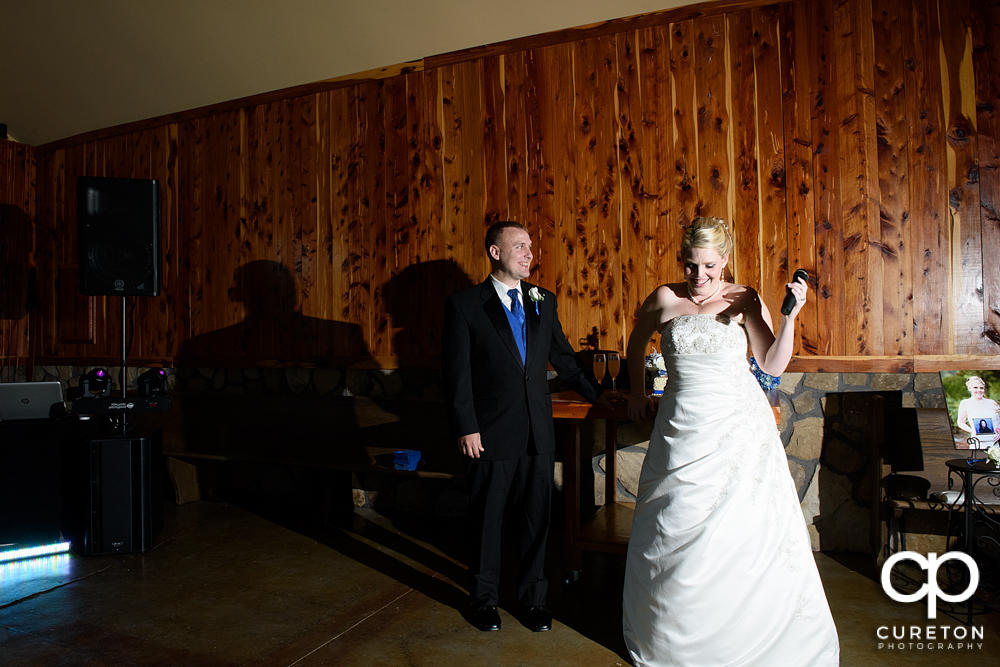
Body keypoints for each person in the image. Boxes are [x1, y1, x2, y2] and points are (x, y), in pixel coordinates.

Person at [621, 217, 839, 666]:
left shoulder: (743, 297)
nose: (699, 277)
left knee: (739, 533)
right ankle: (675, 638)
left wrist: (788, 316)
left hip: (737, 428)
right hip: (681, 429)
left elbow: (772, 364)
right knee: (676, 523)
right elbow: (636, 343)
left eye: (708, 267)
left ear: (724, 261)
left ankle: (748, 635)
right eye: (690, 266)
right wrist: (639, 394)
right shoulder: (665, 298)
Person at [442, 221, 606, 633]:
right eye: (519, 246)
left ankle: (534, 601)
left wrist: (601, 397)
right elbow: (456, 375)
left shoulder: (542, 301)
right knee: (487, 520)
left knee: (537, 519)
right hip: (489, 431)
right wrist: (466, 426)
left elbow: (565, 361)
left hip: (538, 430)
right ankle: (483, 601)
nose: (529, 253)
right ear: (495, 253)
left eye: (530, 246)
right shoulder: (465, 305)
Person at [956, 376, 1000, 448]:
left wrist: (999, 433)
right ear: (969, 388)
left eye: (981, 388)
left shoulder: (992, 403)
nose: (979, 390)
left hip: (994, 443)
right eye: (975, 387)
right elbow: (961, 423)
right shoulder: (965, 403)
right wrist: (973, 431)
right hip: (977, 443)